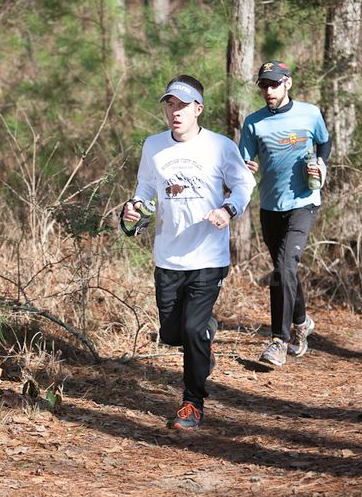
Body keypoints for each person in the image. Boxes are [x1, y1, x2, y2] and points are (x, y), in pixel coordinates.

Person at [122, 74, 255, 429]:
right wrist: (135, 207)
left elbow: (244, 182)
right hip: (168, 255)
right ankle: (205, 336)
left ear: (198, 109)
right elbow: (146, 185)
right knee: (171, 334)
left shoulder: (220, 146)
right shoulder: (153, 146)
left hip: (208, 257)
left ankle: (192, 404)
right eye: (170, 105)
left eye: (183, 105)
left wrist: (228, 209)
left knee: (192, 331)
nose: (175, 112)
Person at [239, 60, 332, 367]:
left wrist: (321, 164)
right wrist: (245, 167)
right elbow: (243, 161)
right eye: (264, 85)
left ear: (287, 83)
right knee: (284, 271)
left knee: (283, 266)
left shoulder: (310, 113)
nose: (268, 90)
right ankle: (302, 322)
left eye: (274, 84)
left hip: (304, 201)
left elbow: (324, 142)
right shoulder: (254, 122)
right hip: (269, 206)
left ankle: (279, 340)